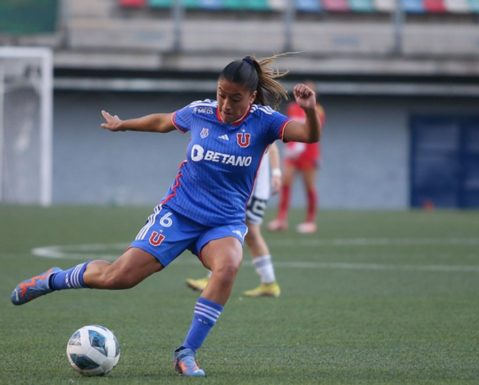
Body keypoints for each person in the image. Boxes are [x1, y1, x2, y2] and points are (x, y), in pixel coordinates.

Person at [9, 55, 322, 377]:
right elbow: (163, 121)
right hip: (178, 214)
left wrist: (310, 109)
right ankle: (52, 279)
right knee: (118, 278)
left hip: (222, 222)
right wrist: (123, 124)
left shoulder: (265, 121)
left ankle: (186, 353)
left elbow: (310, 135)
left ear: (252, 96)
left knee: (228, 265)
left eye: (235, 98)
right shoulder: (200, 112)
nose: (225, 104)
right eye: (221, 94)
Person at [185, 142, 284, 298]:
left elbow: (272, 146)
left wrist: (277, 173)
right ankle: (268, 283)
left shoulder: (259, 121)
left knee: (246, 232)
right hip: (240, 189)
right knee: (239, 232)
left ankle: (268, 283)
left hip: (253, 190)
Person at [267, 82, 326, 234]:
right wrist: (290, 148)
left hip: (309, 155)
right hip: (292, 155)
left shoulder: (317, 110)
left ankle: (310, 221)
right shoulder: (293, 107)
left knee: (309, 187)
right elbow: (290, 127)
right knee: (286, 183)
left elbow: (313, 131)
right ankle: (281, 219)